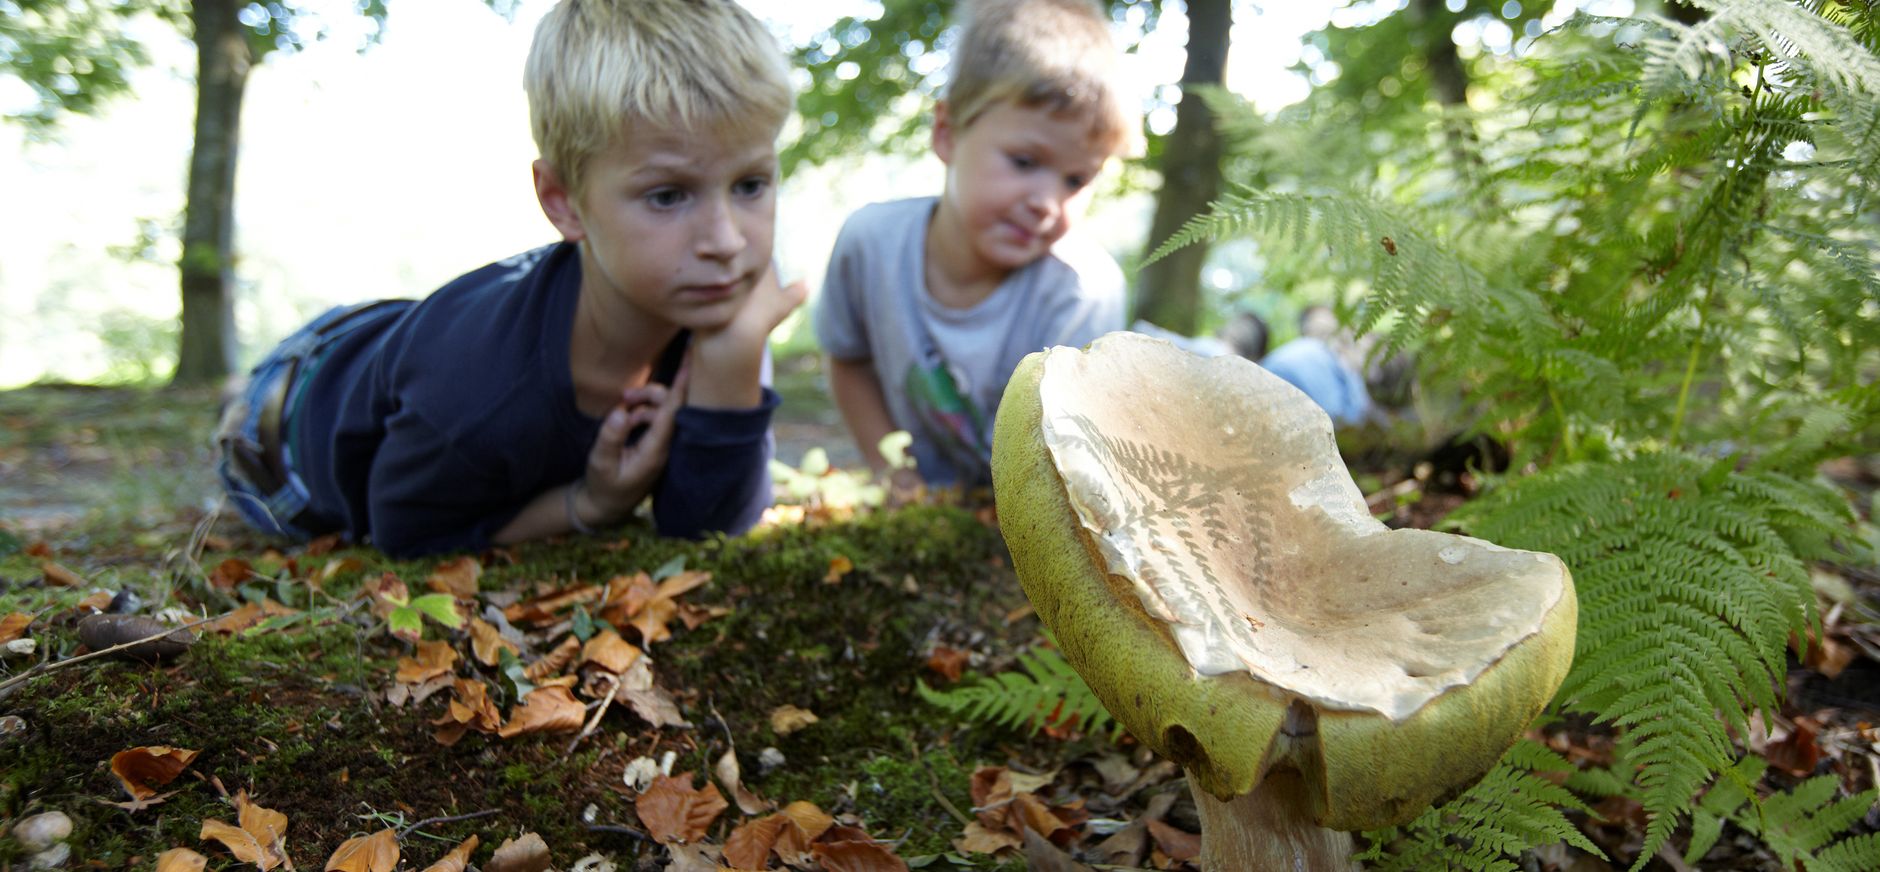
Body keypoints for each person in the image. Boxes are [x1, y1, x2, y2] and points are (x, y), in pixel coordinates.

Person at [212, 0, 803, 557]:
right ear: (563, 201)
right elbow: (407, 534)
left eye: (750, 184)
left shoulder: (717, 297)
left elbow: (706, 529)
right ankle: (237, 397)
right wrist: (589, 503)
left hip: (412, 339)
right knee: (286, 410)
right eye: (668, 195)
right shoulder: (474, 398)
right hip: (293, 421)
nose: (726, 240)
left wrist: (732, 359)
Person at [814, 0, 1135, 488]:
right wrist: (893, 476)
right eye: (1025, 162)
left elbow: (1071, 450)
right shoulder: (870, 246)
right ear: (947, 133)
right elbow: (849, 360)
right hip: (922, 512)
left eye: (1075, 179)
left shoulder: (1081, 291)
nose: (1047, 203)